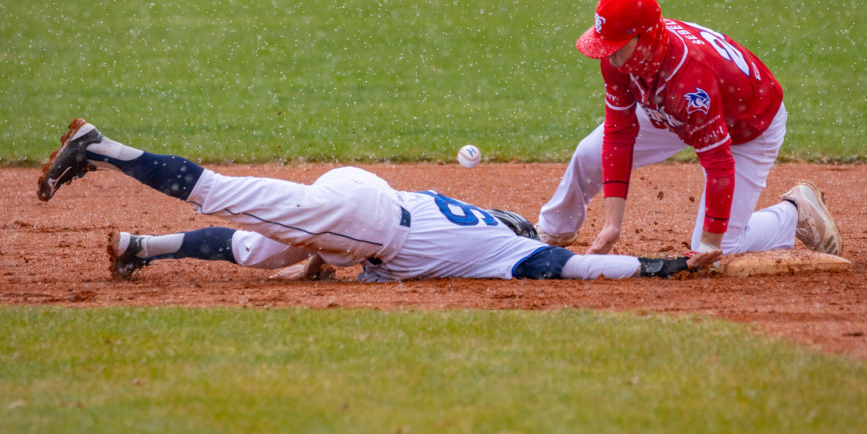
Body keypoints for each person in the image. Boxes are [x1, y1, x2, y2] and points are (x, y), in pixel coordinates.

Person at [37, 119, 721, 282]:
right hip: (361, 220)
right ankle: (100, 147)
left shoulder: (478, 218)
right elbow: (568, 268)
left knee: (255, 252)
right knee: (222, 194)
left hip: (363, 198)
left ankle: (140, 251)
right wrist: (656, 266)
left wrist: (316, 257)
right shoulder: (506, 247)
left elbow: (552, 255)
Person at [536, 0, 842, 258]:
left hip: (748, 125)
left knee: (721, 248)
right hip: (674, 104)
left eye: (616, 45)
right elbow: (618, 135)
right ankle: (554, 228)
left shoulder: (691, 81)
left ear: (645, 38)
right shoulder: (625, 58)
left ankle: (795, 213)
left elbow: (718, 164)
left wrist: (709, 245)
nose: (609, 56)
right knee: (589, 153)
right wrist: (612, 226)